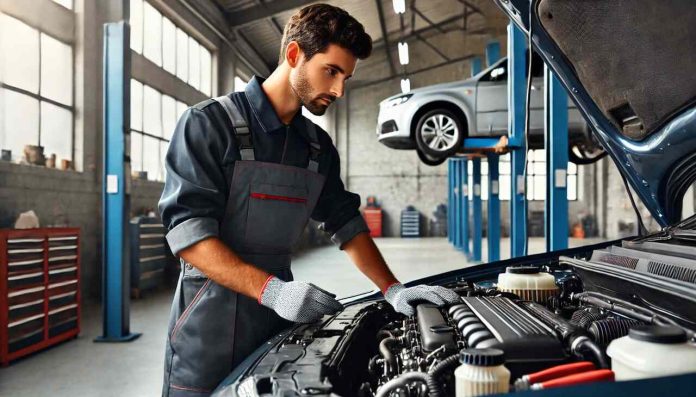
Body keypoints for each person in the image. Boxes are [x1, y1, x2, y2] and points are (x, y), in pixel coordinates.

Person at [158, 4, 460, 396]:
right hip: (206, 331)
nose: (338, 90)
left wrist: (392, 289)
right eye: (331, 72)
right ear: (294, 55)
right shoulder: (208, 124)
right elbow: (190, 237)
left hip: (279, 326)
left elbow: (346, 224)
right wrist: (273, 291)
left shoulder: (316, 148)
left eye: (346, 77)